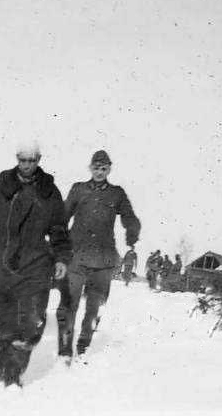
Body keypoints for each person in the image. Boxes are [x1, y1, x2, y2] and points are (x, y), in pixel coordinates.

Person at [0, 141, 72, 387]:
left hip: (35, 263)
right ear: (17, 159)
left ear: (38, 160)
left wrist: (61, 258)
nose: (27, 165)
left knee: (30, 320)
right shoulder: (1, 187)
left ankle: (14, 372)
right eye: (23, 160)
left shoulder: (50, 192)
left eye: (32, 160)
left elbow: (58, 229)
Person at [56, 150, 141, 360]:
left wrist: (132, 231)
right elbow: (63, 216)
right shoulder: (79, 189)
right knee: (69, 304)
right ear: (90, 168)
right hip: (76, 256)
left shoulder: (116, 194)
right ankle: (65, 348)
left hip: (103, 259)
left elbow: (129, 217)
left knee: (95, 307)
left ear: (109, 170)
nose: (99, 172)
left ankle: (84, 345)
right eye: (96, 168)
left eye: (104, 168)